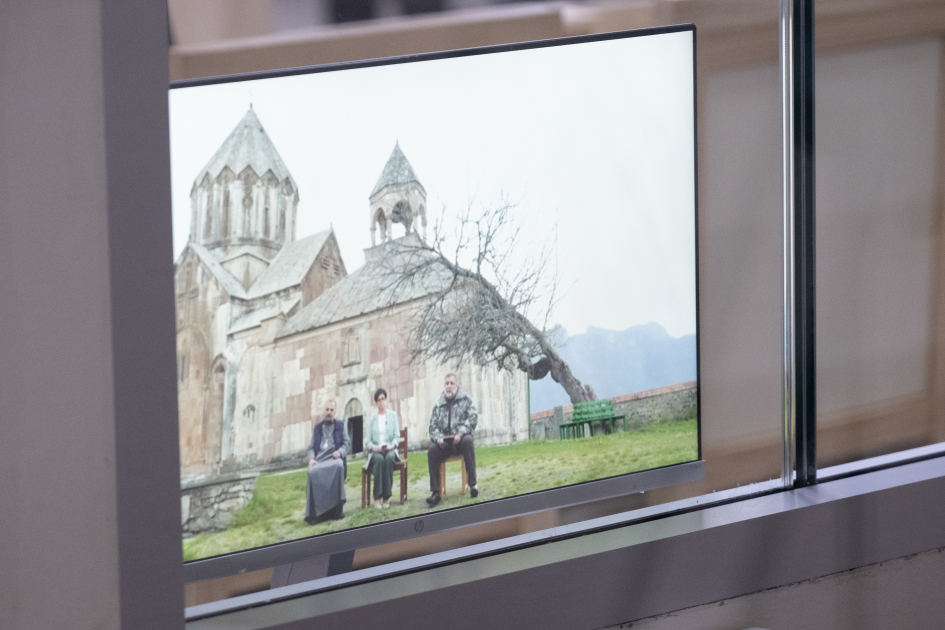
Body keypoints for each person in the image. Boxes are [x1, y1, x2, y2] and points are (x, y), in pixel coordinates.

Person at [426, 373, 479, 507]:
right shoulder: (438, 405)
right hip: (444, 444)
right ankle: (435, 492)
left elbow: (473, 418)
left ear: (456, 385)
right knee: (432, 450)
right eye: (446, 383)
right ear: (444, 386)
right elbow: (432, 427)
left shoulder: (466, 399)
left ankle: (473, 485)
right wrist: (438, 438)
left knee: (468, 441)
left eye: (451, 383)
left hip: (460, 441)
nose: (449, 386)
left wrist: (460, 433)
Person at [304, 399, 350, 524]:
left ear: (335, 411)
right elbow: (311, 448)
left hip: (333, 459)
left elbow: (347, 444)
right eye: (327, 409)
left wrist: (340, 452)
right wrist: (311, 459)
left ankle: (336, 510)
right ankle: (316, 514)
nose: (329, 412)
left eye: (331, 410)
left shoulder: (340, 425)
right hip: (320, 460)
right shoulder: (317, 428)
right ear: (324, 411)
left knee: (340, 465)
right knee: (313, 472)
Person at [364, 388, 401, 509]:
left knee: (389, 458)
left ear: (386, 400)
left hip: (389, 449)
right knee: (379, 460)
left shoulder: (393, 416)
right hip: (376, 451)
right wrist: (373, 447)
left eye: (383, 399)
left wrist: (392, 445)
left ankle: (386, 498)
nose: (381, 402)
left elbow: (397, 436)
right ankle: (377, 498)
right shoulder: (372, 420)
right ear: (376, 403)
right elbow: (367, 441)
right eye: (378, 400)